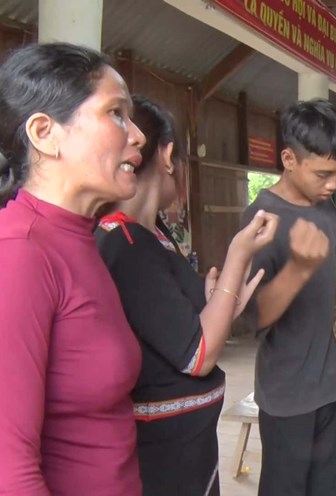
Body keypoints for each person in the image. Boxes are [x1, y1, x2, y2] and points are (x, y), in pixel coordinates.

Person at [94, 96, 278, 495]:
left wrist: (220, 303)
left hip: (188, 446)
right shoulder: (125, 242)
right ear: (167, 155)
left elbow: (180, 325)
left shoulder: (153, 236)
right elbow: (198, 354)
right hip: (163, 459)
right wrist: (238, 255)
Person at [0, 43, 146, 494]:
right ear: (46, 133)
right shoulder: (20, 253)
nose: (137, 134)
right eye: (116, 114)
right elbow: (10, 470)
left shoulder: (79, 238)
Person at [243, 99, 336, 496]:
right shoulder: (263, 220)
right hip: (289, 392)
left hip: (334, 383)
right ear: (288, 159)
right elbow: (252, 318)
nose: (333, 184)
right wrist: (297, 269)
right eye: (323, 174)